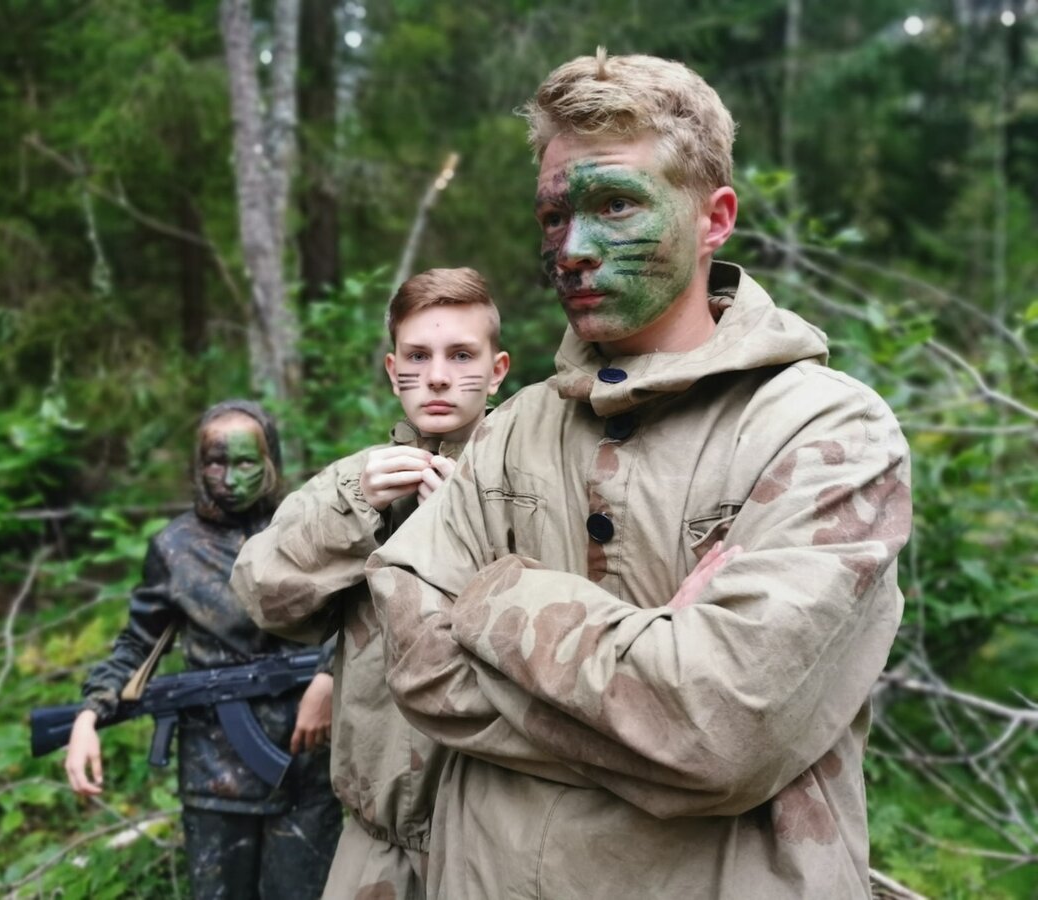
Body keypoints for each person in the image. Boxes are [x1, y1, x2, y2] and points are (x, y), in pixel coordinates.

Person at [367, 51, 911, 900]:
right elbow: (415, 667)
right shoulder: (514, 427)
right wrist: (644, 668)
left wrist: (490, 598)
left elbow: (721, 730)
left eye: (615, 205)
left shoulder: (825, 430)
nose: (573, 250)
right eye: (554, 217)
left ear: (713, 218)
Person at [231, 268, 510, 899]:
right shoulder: (355, 481)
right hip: (375, 843)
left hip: (496, 842)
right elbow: (259, 592)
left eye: (461, 355)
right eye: (418, 356)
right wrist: (354, 508)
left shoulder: (531, 476)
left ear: (497, 371)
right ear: (392, 370)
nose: (437, 376)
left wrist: (469, 532)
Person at [64, 400, 342, 900]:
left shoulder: (305, 527)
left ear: (270, 459)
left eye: (244, 462)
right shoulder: (174, 548)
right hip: (215, 776)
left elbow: (356, 615)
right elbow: (137, 643)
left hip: (306, 767)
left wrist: (327, 678)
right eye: (216, 462)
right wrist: (89, 715)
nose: (230, 478)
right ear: (198, 466)